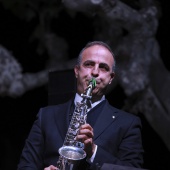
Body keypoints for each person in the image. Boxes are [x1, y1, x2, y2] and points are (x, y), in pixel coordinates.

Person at [17, 41, 144, 170]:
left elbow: (131, 168)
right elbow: (25, 165)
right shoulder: (46, 116)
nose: (95, 72)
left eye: (103, 67)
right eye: (89, 64)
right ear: (77, 70)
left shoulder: (128, 123)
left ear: (111, 78)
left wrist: (93, 151)